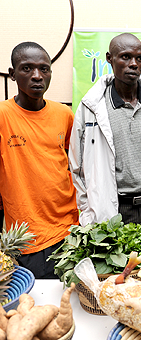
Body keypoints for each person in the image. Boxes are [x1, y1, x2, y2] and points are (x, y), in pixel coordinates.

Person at [69, 33, 141, 237]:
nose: (133, 64)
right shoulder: (91, 107)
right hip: (113, 208)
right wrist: (87, 210)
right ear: (109, 58)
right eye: (125, 57)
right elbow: (77, 166)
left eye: (139, 58)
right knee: (116, 269)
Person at [0, 42, 79, 278]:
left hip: (70, 231)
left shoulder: (64, 114)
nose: (37, 76)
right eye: (27, 69)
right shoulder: (3, 116)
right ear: (12, 74)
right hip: (29, 236)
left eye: (44, 69)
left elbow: (73, 165)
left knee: (70, 304)